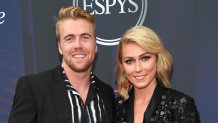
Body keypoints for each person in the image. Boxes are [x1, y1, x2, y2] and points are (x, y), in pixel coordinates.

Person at [8, 6, 115, 123]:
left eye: (85, 37)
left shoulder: (107, 94)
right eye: (69, 38)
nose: (78, 45)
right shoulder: (33, 89)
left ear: (95, 45)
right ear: (59, 47)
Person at [115, 26, 200, 123]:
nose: (137, 69)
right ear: (122, 66)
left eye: (145, 58)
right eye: (129, 61)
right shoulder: (116, 108)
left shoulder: (180, 105)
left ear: (157, 59)